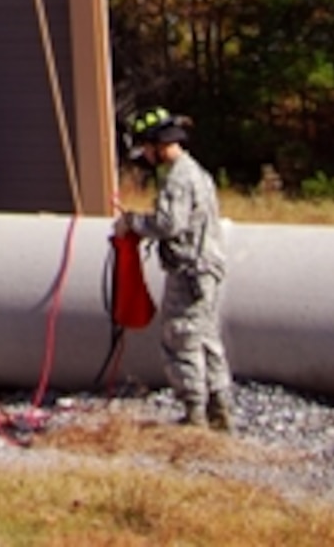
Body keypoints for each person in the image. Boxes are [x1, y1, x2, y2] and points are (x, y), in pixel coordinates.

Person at [118, 108, 233, 431]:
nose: (145, 155)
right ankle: (219, 412)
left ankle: (195, 416)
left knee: (180, 339)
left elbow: (170, 224)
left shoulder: (178, 178)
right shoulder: (195, 172)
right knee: (207, 339)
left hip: (189, 272)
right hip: (206, 270)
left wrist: (133, 223)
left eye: (146, 147)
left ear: (159, 144)